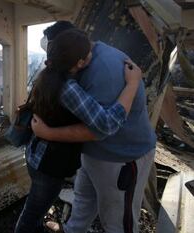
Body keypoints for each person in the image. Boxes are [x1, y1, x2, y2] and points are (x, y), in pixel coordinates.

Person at [14, 27, 143, 233]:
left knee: (36, 210)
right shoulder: (68, 89)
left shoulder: (46, 75)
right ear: (80, 63)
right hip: (49, 165)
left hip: (35, 157)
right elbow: (107, 124)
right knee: (32, 214)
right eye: (88, 53)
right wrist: (132, 84)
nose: (93, 53)